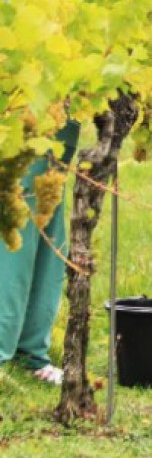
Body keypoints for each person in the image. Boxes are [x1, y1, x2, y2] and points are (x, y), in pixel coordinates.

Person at [0, 120, 81, 384]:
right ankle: (7, 350)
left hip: (58, 115)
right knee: (16, 232)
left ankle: (30, 352)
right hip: (24, 109)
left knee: (47, 232)